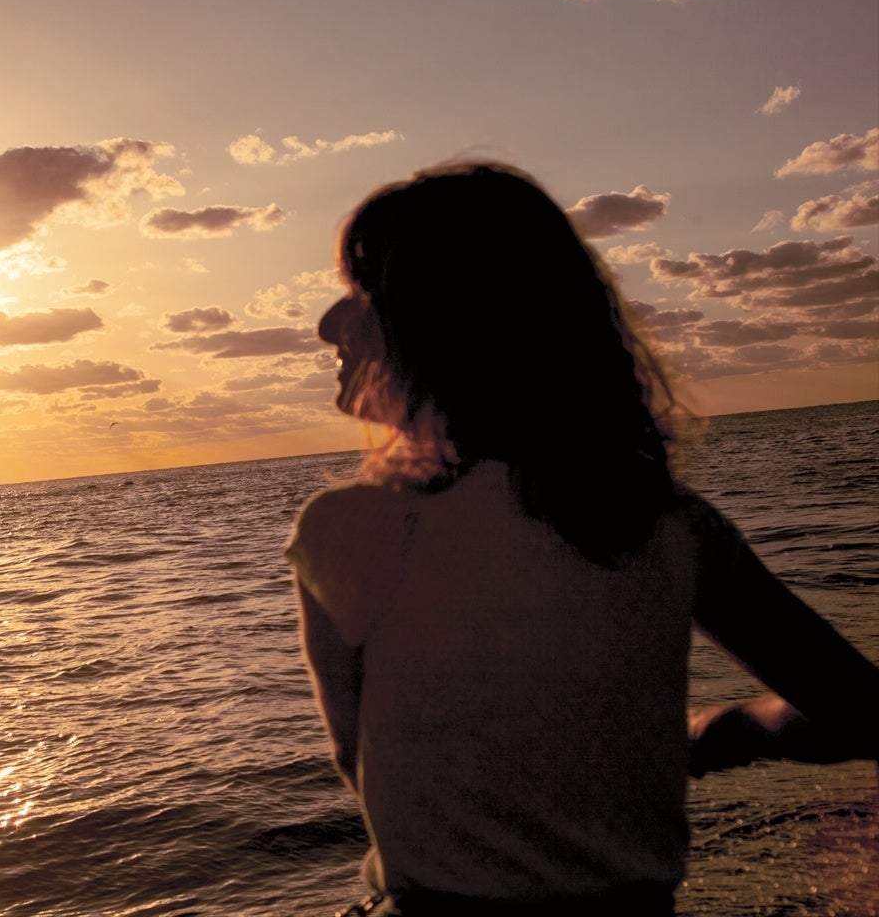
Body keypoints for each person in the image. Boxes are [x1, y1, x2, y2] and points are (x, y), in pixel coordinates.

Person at [284, 162, 878, 917]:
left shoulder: (351, 527)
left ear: (449, 324)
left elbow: (363, 766)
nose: (328, 324)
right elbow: (857, 708)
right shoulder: (670, 523)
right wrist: (719, 732)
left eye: (363, 291)